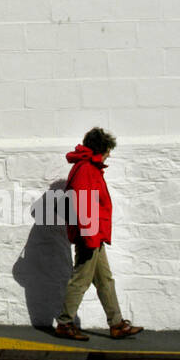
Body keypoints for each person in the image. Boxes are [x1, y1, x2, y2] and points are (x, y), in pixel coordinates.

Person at [53, 127, 144, 341]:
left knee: (105, 281)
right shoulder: (86, 169)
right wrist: (90, 236)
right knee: (81, 280)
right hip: (90, 235)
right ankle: (65, 323)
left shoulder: (88, 167)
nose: (109, 154)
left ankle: (117, 324)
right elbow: (84, 204)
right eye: (108, 150)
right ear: (101, 149)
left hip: (94, 235)